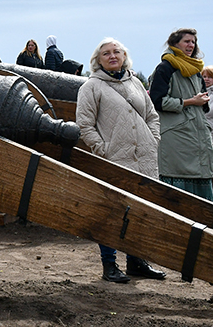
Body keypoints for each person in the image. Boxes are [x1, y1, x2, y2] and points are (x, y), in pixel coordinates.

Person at [76, 38, 166, 283]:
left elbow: (152, 116)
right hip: (115, 159)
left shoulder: (135, 82)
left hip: (144, 158)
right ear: (98, 60)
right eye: (106, 53)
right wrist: (103, 150)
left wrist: (153, 139)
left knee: (141, 212)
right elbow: (85, 125)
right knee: (112, 212)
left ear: (124, 56)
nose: (112, 56)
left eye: (117, 52)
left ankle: (137, 262)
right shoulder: (91, 87)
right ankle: (110, 265)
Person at [149, 28, 213, 201]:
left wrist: (201, 103)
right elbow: (158, 101)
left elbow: (203, 104)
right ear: (175, 43)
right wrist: (190, 101)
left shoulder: (195, 69)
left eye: (193, 42)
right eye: (187, 41)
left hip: (198, 132)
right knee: (177, 189)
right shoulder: (165, 68)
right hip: (176, 136)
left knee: (203, 179)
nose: (191, 45)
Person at [203, 65, 213, 130]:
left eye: (210, 77)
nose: (206, 79)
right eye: (204, 76)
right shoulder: (197, 91)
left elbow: (209, 113)